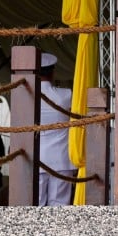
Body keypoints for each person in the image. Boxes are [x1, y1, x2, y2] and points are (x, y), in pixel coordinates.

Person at [38, 53, 77, 205]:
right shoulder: (66, 95)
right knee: (59, 206)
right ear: (52, 72)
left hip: (37, 159)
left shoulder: (27, 94)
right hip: (61, 158)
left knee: (35, 205)